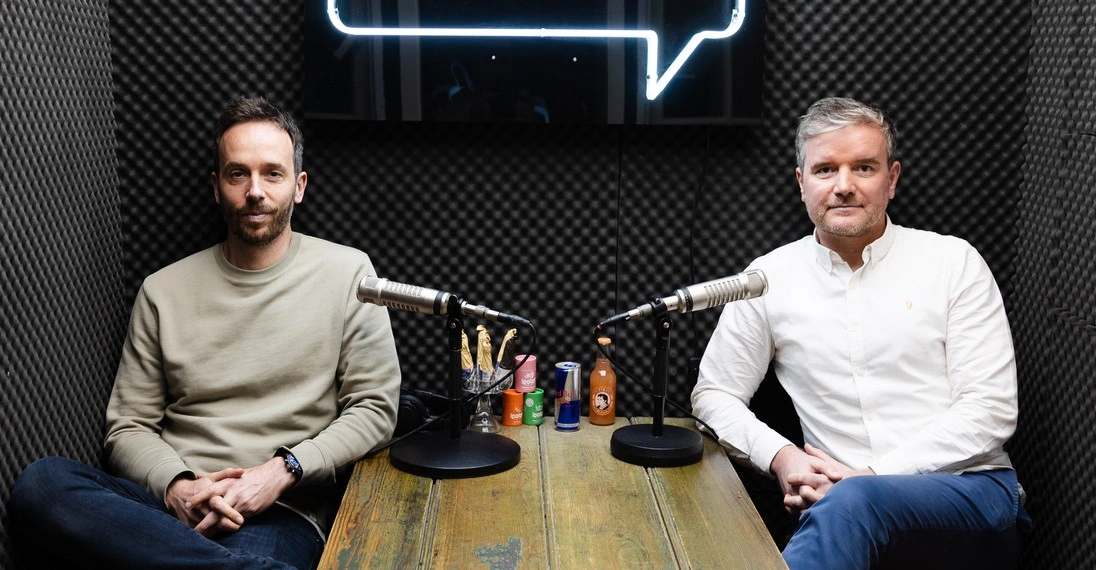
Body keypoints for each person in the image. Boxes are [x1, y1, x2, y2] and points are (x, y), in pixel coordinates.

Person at [9, 96, 402, 569]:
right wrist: (178, 486)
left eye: (272, 174)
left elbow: (375, 407)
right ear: (217, 187)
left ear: (298, 186)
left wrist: (282, 471)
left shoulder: (349, 274)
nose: (254, 191)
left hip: (279, 511)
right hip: (165, 509)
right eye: (238, 174)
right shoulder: (162, 290)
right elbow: (128, 426)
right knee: (42, 484)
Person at [691, 96, 1030, 569]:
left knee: (854, 502)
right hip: (838, 508)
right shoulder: (768, 278)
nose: (844, 186)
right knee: (848, 506)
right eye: (826, 170)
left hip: (971, 492)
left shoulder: (954, 263)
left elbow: (991, 410)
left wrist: (868, 476)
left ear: (892, 180)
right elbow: (713, 395)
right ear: (802, 183)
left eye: (864, 168)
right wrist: (782, 458)